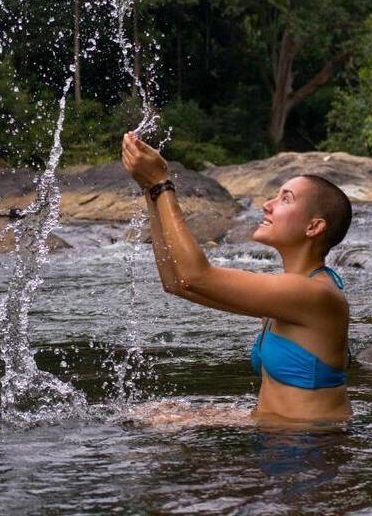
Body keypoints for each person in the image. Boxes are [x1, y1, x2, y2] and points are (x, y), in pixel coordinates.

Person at [121, 132, 353, 422]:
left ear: (314, 226)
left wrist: (161, 184)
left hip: (310, 450)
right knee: (151, 415)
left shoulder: (315, 294)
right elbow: (177, 282)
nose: (267, 205)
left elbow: (196, 276)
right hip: (272, 432)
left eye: (285, 199)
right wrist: (149, 190)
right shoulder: (286, 293)